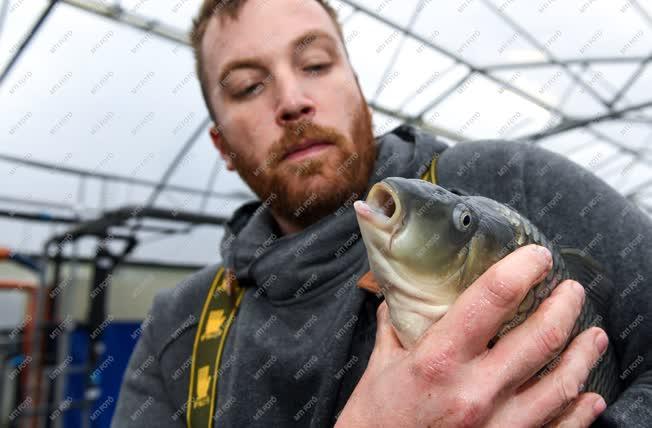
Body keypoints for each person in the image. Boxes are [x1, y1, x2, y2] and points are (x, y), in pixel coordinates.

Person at [112, 0, 652, 426]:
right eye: (248, 86)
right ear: (223, 147)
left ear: (358, 87)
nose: (293, 99)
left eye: (316, 63)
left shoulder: (509, 182)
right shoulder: (179, 330)